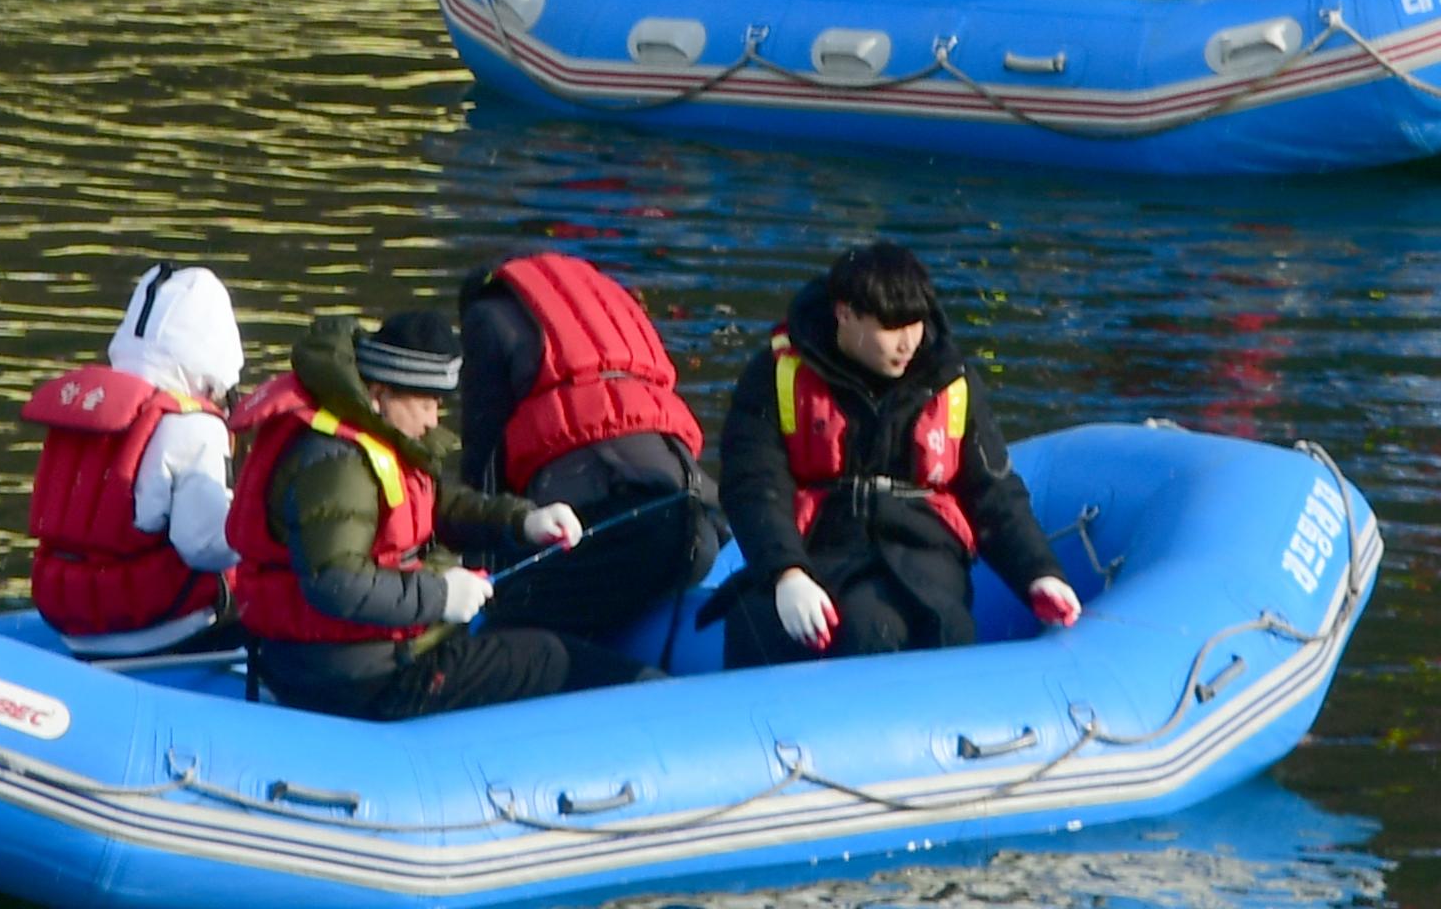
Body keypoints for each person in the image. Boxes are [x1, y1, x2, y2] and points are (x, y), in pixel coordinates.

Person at [229, 307, 652, 719]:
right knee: (549, 657)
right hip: (355, 678)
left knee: (522, 625)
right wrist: (441, 596)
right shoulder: (337, 463)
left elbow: (435, 505)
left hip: (360, 659)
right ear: (380, 395)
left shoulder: (371, 438)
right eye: (427, 402)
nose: (435, 420)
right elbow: (335, 582)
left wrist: (523, 521)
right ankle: (662, 702)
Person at [717, 242, 1076, 667]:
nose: (907, 343)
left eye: (916, 324)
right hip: (819, 549)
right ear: (845, 314)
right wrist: (786, 572)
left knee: (896, 628)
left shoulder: (950, 379)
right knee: (765, 626)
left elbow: (994, 492)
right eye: (891, 327)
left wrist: (1038, 573)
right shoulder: (775, 375)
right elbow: (754, 483)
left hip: (922, 554)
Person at [457, 252, 721, 645]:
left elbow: (484, 464)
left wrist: (479, 578)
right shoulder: (613, 305)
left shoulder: (487, 318)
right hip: (703, 524)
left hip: (629, 530)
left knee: (509, 623)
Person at [21, 265, 248, 658]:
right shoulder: (194, 425)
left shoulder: (90, 409)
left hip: (67, 619)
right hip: (162, 627)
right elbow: (205, 548)